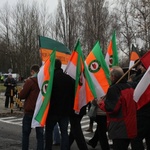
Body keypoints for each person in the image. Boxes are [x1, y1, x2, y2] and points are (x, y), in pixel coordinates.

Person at [98, 66, 137, 150]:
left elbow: (111, 108)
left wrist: (101, 103)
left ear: (113, 77)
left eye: (110, 76)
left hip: (120, 127)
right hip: (130, 125)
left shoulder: (114, 89)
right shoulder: (130, 87)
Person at [45, 59, 75, 150]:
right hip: (65, 110)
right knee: (64, 132)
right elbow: (73, 94)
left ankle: (48, 148)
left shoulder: (50, 78)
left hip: (52, 110)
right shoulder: (69, 79)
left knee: (49, 132)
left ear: (53, 66)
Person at [19, 64, 44, 150]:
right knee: (40, 135)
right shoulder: (44, 81)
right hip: (40, 112)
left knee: (26, 134)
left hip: (29, 110)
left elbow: (22, 95)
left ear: (32, 72)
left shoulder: (30, 81)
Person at [129, 60, 150, 150]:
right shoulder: (142, 77)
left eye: (141, 66)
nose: (139, 68)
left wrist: (129, 83)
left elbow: (136, 86)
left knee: (136, 138)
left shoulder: (145, 78)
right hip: (145, 111)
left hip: (143, 112)